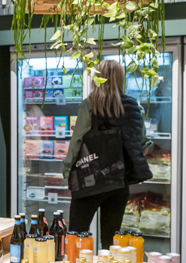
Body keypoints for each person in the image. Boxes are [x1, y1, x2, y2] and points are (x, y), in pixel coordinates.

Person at [62, 59, 152, 242]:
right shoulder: (134, 106)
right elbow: (143, 144)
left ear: (98, 78)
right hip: (119, 182)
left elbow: (77, 142)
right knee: (111, 239)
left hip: (90, 180)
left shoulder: (89, 104)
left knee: (77, 235)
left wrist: (67, 169)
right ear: (121, 78)